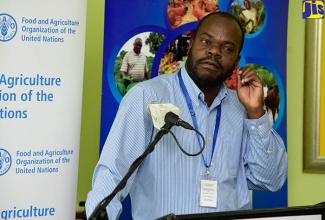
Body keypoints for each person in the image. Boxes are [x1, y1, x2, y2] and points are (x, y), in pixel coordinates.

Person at [86, 12, 288, 220]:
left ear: (236, 60)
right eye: (206, 41)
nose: (214, 52)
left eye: (227, 48)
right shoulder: (147, 97)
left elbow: (271, 180)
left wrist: (256, 113)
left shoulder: (242, 108)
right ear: (191, 45)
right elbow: (112, 174)